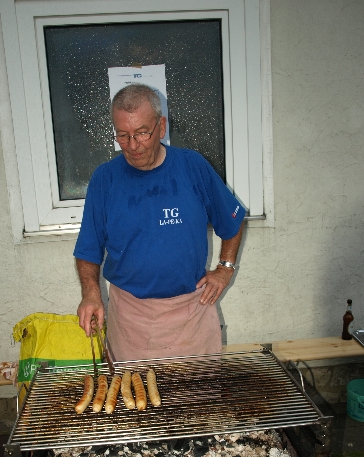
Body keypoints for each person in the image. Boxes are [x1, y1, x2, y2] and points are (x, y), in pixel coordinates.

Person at [74, 83, 245, 361]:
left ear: (161, 127)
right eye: (123, 135)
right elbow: (87, 250)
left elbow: (233, 220)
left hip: (191, 312)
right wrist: (91, 295)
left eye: (142, 133)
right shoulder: (105, 179)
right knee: (135, 401)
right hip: (130, 316)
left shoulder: (193, 167)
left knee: (197, 397)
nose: (133, 145)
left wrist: (225, 269)